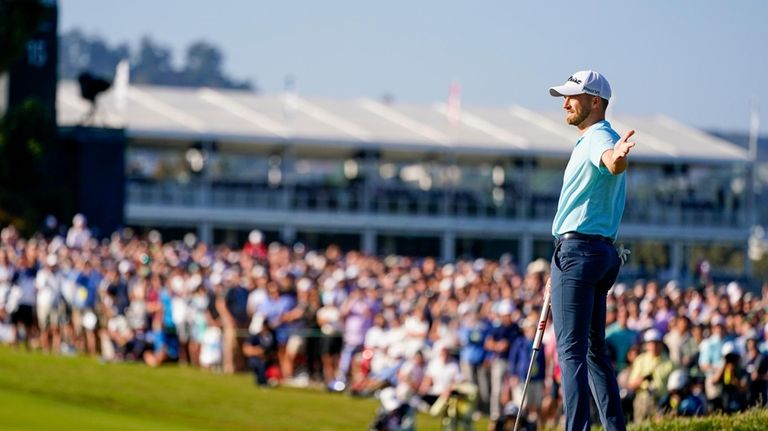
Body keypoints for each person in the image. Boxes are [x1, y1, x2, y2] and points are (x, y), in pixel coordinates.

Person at [547, 70, 636, 431]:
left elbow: (612, 162)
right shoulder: (599, 136)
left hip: (579, 252)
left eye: (573, 96)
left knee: (571, 352)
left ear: (595, 101)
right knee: (593, 351)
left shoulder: (600, 137)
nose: (566, 103)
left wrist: (619, 157)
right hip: (599, 254)